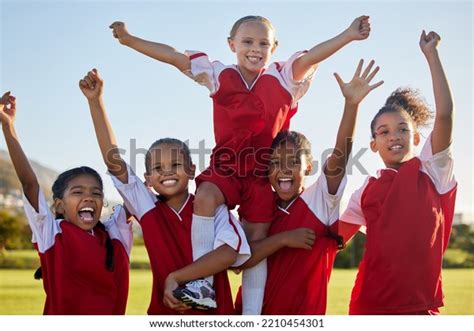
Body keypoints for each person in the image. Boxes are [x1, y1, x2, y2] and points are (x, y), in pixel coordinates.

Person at [110, 14, 371, 313]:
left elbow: (312, 56)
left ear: (274, 47)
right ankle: (202, 283)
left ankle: (251, 314)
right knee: (205, 197)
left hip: (262, 172)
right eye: (247, 41)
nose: (255, 48)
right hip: (226, 167)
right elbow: (173, 56)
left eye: (264, 43)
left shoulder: (283, 76)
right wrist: (130, 40)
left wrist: (348, 35)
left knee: (255, 244)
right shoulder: (218, 74)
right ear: (232, 44)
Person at [80, 68, 250, 314]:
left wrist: (176, 277)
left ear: (192, 170)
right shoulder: (147, 208)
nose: (167, 172)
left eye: (176, 165)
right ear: (147, 179)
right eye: (158, 168)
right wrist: (96, 102)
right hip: (164, 314)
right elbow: (114, 162)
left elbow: (227, 254)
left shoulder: (210, 204)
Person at [234, 59, 383, 314]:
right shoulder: (259, 206)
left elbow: (340, 156)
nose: (283, 169)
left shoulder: (321, 199)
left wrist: (351, 104)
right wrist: (282, 239)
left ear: (309, 167)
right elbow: (239, 261)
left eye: (293, 161)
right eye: (275, 163)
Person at [338, 30, 456, 315]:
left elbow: (444, 115)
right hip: (369, 306)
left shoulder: (432, 171)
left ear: (416, 138)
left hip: (421, 307)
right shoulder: (366, 190)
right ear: (374, 144)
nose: (395, 136)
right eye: (384, 131)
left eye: (403, 129)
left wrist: (432, 55)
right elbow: (334, 239)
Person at [0, 92, 132, 314]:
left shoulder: (115, 235)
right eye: (78, 192)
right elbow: (30, 184)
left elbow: (125, 180)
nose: (88, 197)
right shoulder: (51, 233)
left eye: (96, 193)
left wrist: (96, 101)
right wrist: (7, 125)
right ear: (59, 205)